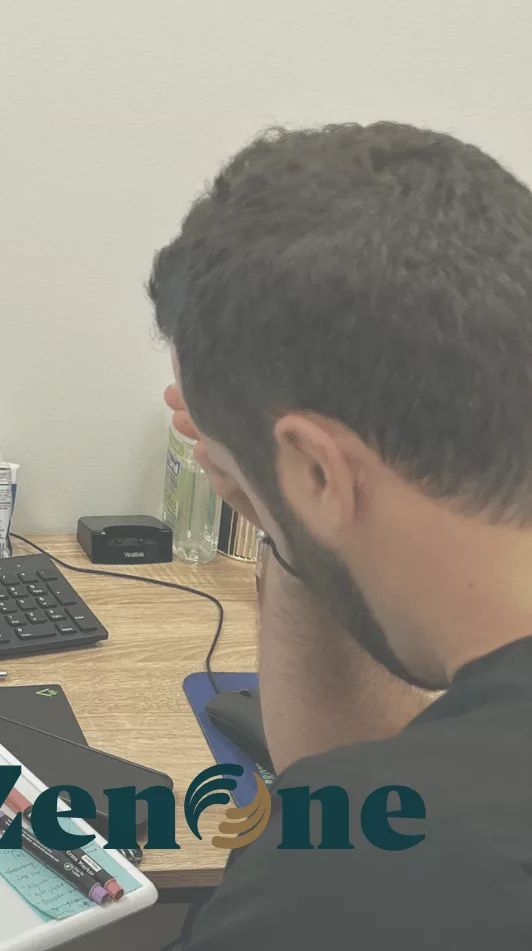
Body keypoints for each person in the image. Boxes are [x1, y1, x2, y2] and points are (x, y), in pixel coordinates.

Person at [151, 122, 532, 948]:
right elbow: (352, 793)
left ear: (322, 472)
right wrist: (288, 519)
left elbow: (357, 848)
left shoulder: (359, 879)